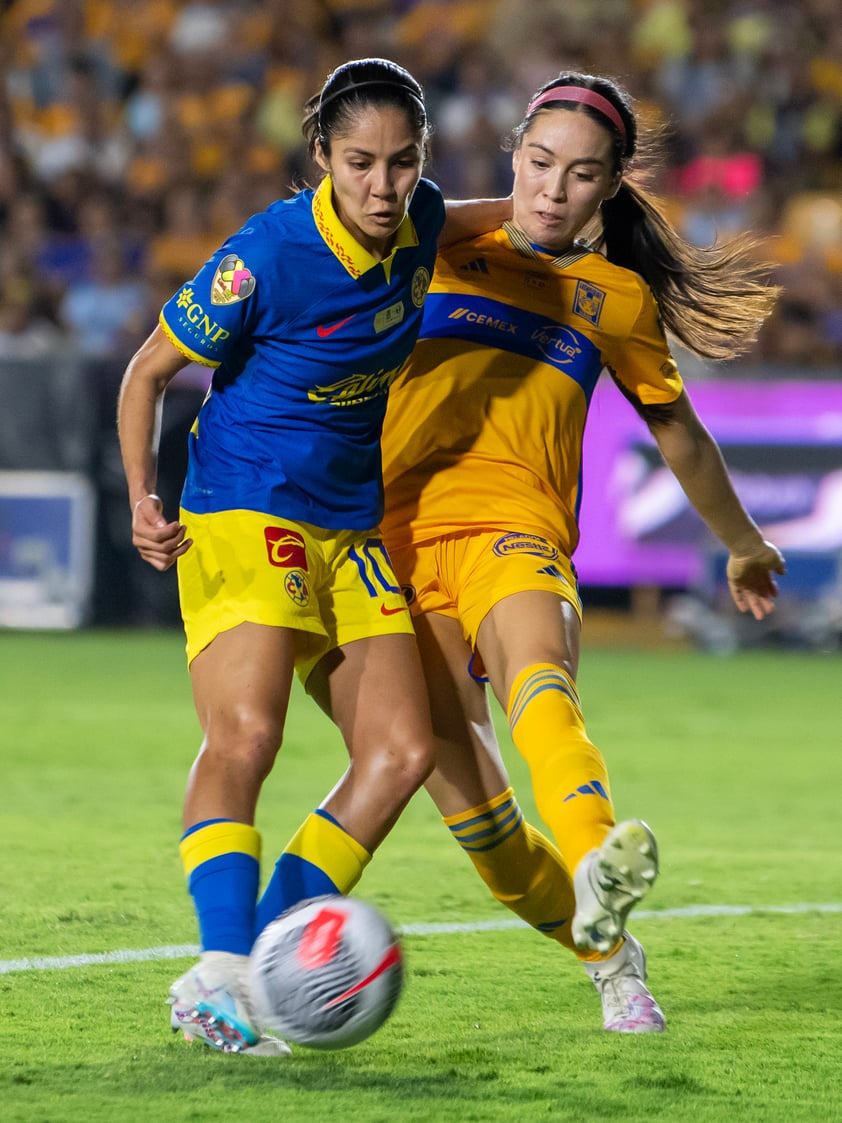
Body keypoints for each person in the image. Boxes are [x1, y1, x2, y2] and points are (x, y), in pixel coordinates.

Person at [377, 71, 786, 1034]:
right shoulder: (429, 243)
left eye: (581, 175)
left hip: (516, 532)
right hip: (392, 548)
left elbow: (678, 433)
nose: (554, 190)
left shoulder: (615, 300)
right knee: (492, 844)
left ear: (611, 190)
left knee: (542, 685)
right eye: (540, 164)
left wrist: (743, 544)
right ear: (513, 155)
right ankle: (611, 954)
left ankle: (603, 867)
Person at [117, 57, 510, 1056]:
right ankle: (219, 974)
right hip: (247, 505)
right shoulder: (269, 255)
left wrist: (560, 198)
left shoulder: (417, 212)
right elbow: (148, 371)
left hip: (350, 526)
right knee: (247, 735)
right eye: (358, 165)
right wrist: (140, 500)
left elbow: (472, 218)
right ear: (320, 158)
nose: (380, 188)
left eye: (400, 163)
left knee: (399, 753)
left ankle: (261, 962)